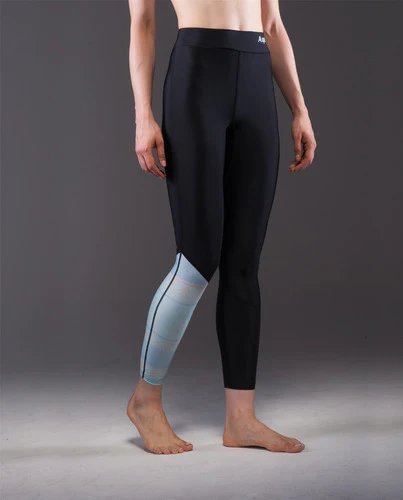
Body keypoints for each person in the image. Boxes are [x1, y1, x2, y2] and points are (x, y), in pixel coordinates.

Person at [126, 0, 317, 455]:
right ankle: (145, 400)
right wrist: (143, 114)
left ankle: (241, 420)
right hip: (197, 76)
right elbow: (143, 22)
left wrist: (300, 108)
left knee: (243, 263)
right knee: (197, 258)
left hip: (255, 79)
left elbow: (272, 23)